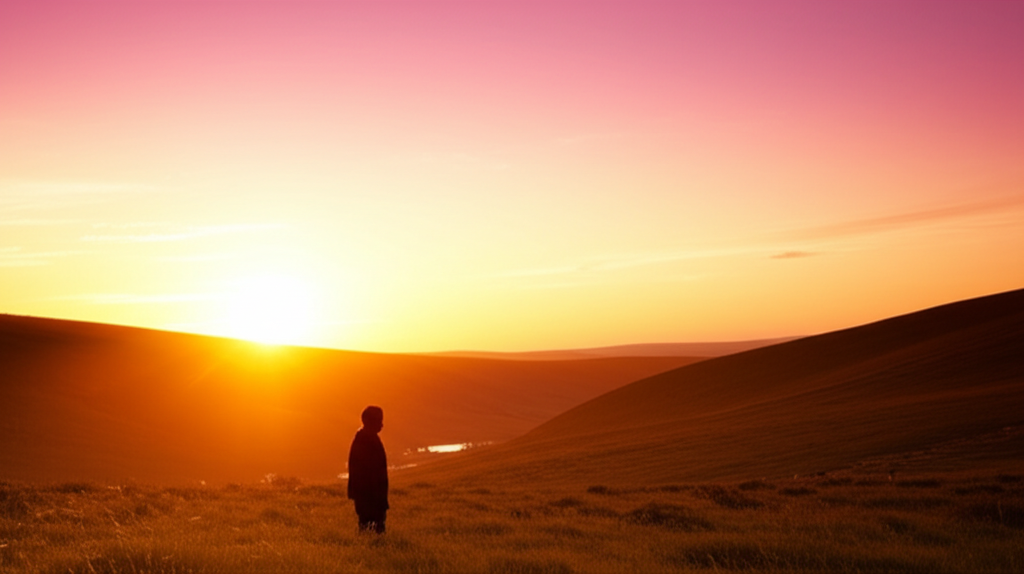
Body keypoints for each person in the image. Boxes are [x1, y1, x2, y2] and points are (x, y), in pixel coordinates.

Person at [347, 405, 388, 533]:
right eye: (379, 421)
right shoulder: (364, 440)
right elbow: (361, 472)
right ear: (370, 422)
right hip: (369, 497)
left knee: (371, 529)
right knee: (370, 529)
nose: (382, 425)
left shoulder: (368, 438)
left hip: (372, 497)